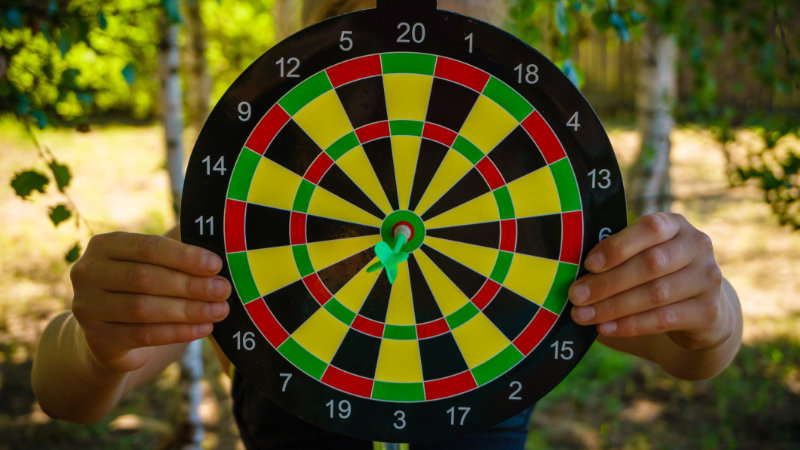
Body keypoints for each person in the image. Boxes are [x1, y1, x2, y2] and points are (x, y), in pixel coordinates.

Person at [31, 0, 743, 448]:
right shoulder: (264, 228)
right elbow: (65, 393)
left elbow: (692, 355)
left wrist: (709, 311)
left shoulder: (533, 224)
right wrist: (100, 345)